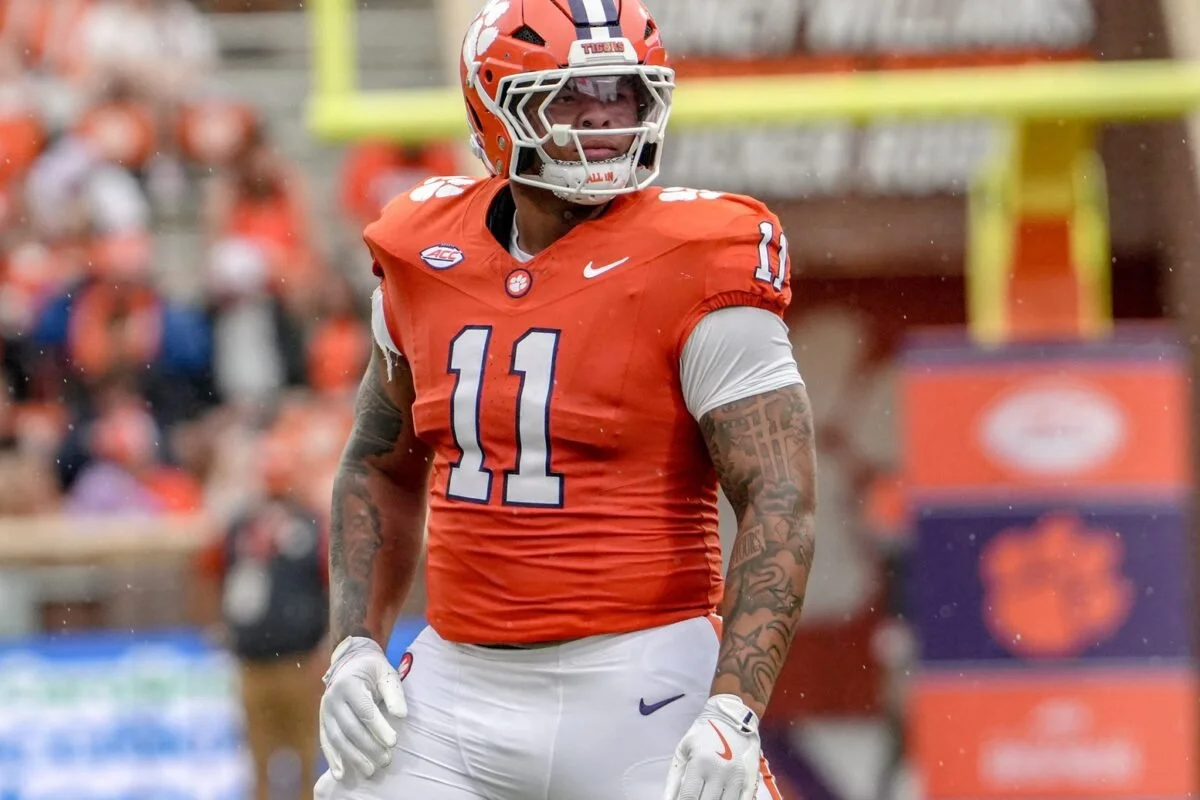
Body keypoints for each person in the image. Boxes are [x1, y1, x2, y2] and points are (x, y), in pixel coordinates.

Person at [316, 2, 817, 800]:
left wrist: (735, 706)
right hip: (457, 681)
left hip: (643, 677)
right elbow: (378, 465)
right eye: (571, 96)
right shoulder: (421, 251)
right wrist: (354, 645)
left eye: (622, 93)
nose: (605, 118)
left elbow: (779, 495)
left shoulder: (699, 255)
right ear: (493, 108)